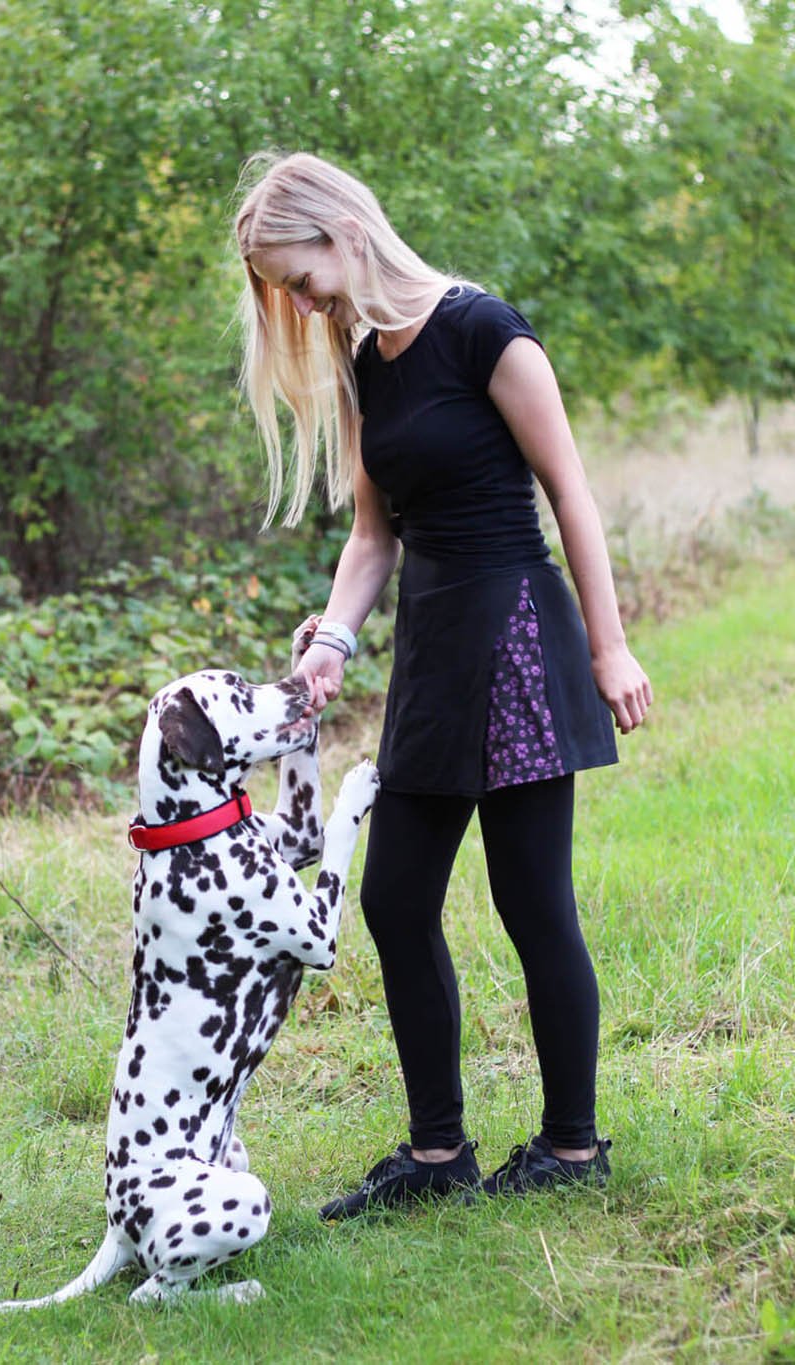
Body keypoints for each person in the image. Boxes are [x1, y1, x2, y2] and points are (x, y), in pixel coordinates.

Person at [233, 151, 652, 1217]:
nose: (299, 299)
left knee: (530, 901)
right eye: (283, 287)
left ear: (343, 231)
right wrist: (332, 637)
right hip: (431, 648)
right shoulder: (369, 360)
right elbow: (374, 534)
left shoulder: (482, 330)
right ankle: (437, 1157)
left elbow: (571, 495)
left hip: (514, 636)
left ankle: (569, 1149)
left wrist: (609, 649)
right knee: (394, 898)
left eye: (298, 274)